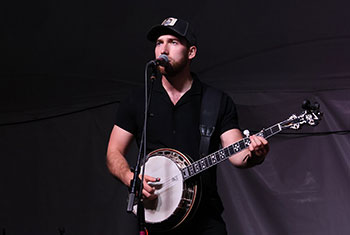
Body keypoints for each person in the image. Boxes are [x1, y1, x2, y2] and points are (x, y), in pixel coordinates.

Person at [106, 17, 269, 235]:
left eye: (173, 42)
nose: (163, 49)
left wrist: (255, 154)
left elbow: (237, 154)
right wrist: (131, 178)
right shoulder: (137, 99)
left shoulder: (216, 101)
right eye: (159, 42)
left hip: (204, 219)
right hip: (155, 219)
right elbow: (113, 152)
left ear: (191, 52)